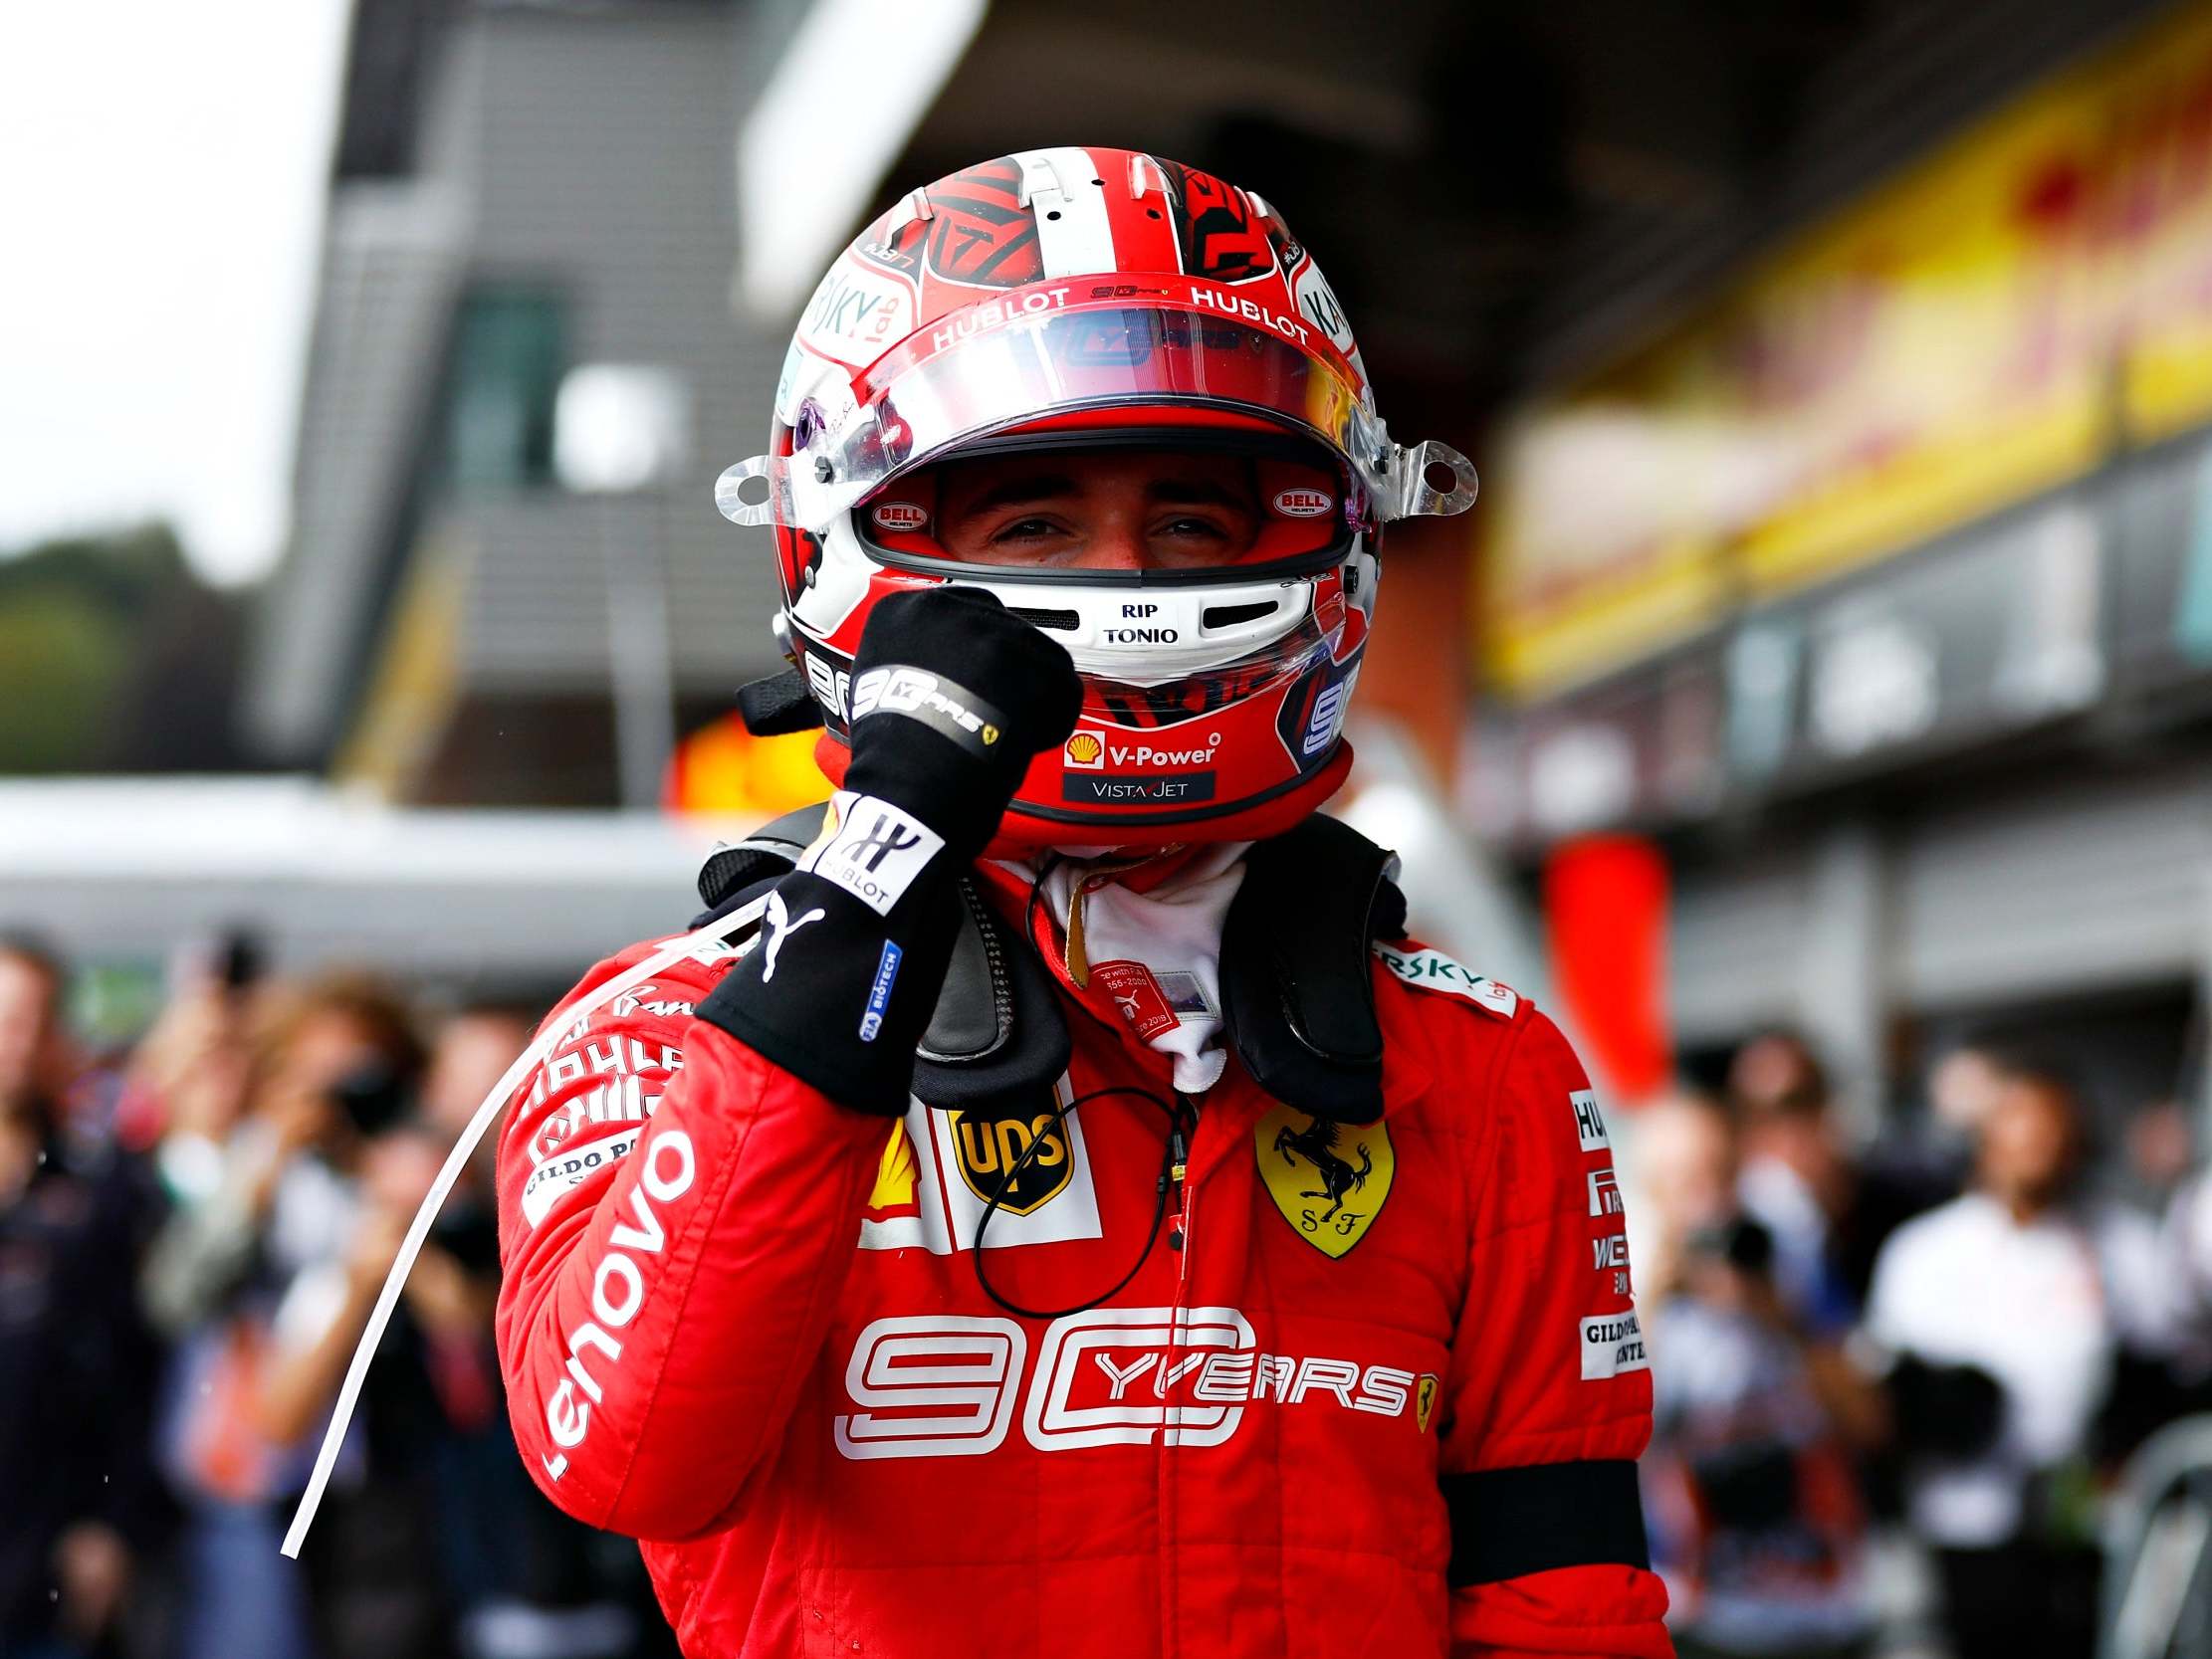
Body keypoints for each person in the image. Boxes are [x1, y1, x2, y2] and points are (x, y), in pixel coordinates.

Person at [482, 149, 1667, 1658]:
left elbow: (1566, 1612)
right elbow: (623, 1455)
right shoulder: (655, 1030)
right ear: (843, 536)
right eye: (1032, 524)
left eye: (1191, 522)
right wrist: (870, 880)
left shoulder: (1481, 1069)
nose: (1125, 583)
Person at [1862, 1062, 2172, 1659]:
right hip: (1967, 1520)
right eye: (2022, 1130)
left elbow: (2161, 1366)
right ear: (1987, 1138)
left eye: (2054, 1134)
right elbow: (1888, 1394)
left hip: (2086, 1524)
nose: (2039, 1150)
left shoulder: (2119, 1244)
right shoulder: (1925, 1252)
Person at [1635, 1095, 1875, 1659]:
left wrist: (1779, 1314)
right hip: (1698, 1606)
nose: (1708, 1197)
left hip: (1819, 1601)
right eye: (1685, 1180)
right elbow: (1612, 1442)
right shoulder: (1628, 1285)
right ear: (1651, 1191)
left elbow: (1869, 1422)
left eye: (1719, 1172)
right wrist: (1655, 1304)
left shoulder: (1791, 1254)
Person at [0, 935, 164, 1659]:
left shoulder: (99, 1190)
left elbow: (132, 1364)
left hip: (42, 1558)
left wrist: (113, 1521)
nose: (17, 1040)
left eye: (34, 1019)